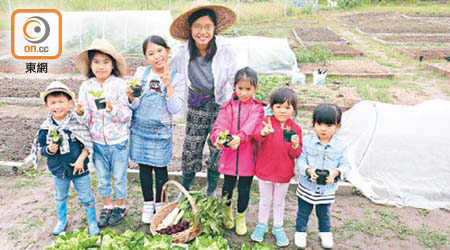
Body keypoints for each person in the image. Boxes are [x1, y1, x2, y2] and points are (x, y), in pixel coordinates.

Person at [170, 4, 238, 196]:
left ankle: (210, 189)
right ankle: (186, 186)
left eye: (208, 27)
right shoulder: (181, 53)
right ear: (190, 29)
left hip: (220, 106)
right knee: (191, 146)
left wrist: (237, 107)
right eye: (198, 26)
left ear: (214, 29)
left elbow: (235, 79)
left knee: (218, 148)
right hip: (196, 104)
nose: (203, 31)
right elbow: (168, 73)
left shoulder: (225, 51)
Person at [127, 35, 186, 224]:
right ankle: (147, 204)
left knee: (161, 169)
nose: (156, 56)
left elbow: (175, 108)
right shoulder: (141, 74)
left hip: (161, 133)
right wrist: (130, 98)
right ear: (146, 58)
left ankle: (160, 205)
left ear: (167, 51)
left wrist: (168, 85)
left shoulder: (178, 78)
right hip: (140, 130)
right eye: (151, 53)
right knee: (144, 168)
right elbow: (135, 105)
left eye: (160, 51)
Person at [74, 39, 132, 227]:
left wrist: (111, 108)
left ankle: (121, 206)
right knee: (103, 177)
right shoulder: (86, 87)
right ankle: (107, 206)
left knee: (119, 176)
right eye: (97, 62)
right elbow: (85, 117)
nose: (101, 66)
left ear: (113, 64)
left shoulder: (119, 85)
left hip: (119, 141)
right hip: (97, 142)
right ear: (90, 65)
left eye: (106, 62)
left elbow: (127, 114)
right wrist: (81, 113)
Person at [32, 81, 99, 235]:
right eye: (53, 103)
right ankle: (62, 220)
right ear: (47, 106)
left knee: (86, 196)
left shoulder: (76, 123)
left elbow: (87, 145)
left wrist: (81, 159)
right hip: (59, 171)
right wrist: (49, 149)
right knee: (60, 196)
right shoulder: (46, 129)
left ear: (69, 103)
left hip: (79, 169)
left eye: (61, 102)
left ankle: (92, 221)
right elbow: (41, 150)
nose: (57, 106)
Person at [210, 67, 264, 235]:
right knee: (228, 185)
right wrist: (219, 139)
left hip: (248, 155)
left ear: (256, 88)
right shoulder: (227, 107)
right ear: (235, 88)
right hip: (230, 155)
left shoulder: (258, 108)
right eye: (240, 88)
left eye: (248, 89)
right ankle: (227, 213)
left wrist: (240, 138)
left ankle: (241, 216)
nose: (244, 93)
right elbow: (219, 126)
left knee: (244, 188)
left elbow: (252, 125)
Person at [251, 87, 302, 247]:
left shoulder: (293, 129)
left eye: (287, 107)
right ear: (272, 107)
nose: (282, 111)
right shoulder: (266, 123)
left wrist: (294, 145)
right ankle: (262, 224)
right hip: (265, 171)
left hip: (283, 174)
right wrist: (264, 132)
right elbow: (256, 135)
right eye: (278, 107)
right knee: (265, 201)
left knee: (279, 202)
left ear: (294, 109)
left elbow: (295, 154)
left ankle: (278, 227)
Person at [294, 104, 350, 249]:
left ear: (338, 126)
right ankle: (300, 232)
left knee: (323, 213)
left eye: (329, 125)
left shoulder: (342, 145)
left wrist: (336, 173)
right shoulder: (306, 141)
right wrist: (308, 171)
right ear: (313, 123)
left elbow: (346, 165)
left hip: (327, 190)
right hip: (307, 186)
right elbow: (301, 159)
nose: (323, 129)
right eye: (319, 124)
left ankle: (325, 233)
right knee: (303, 212)